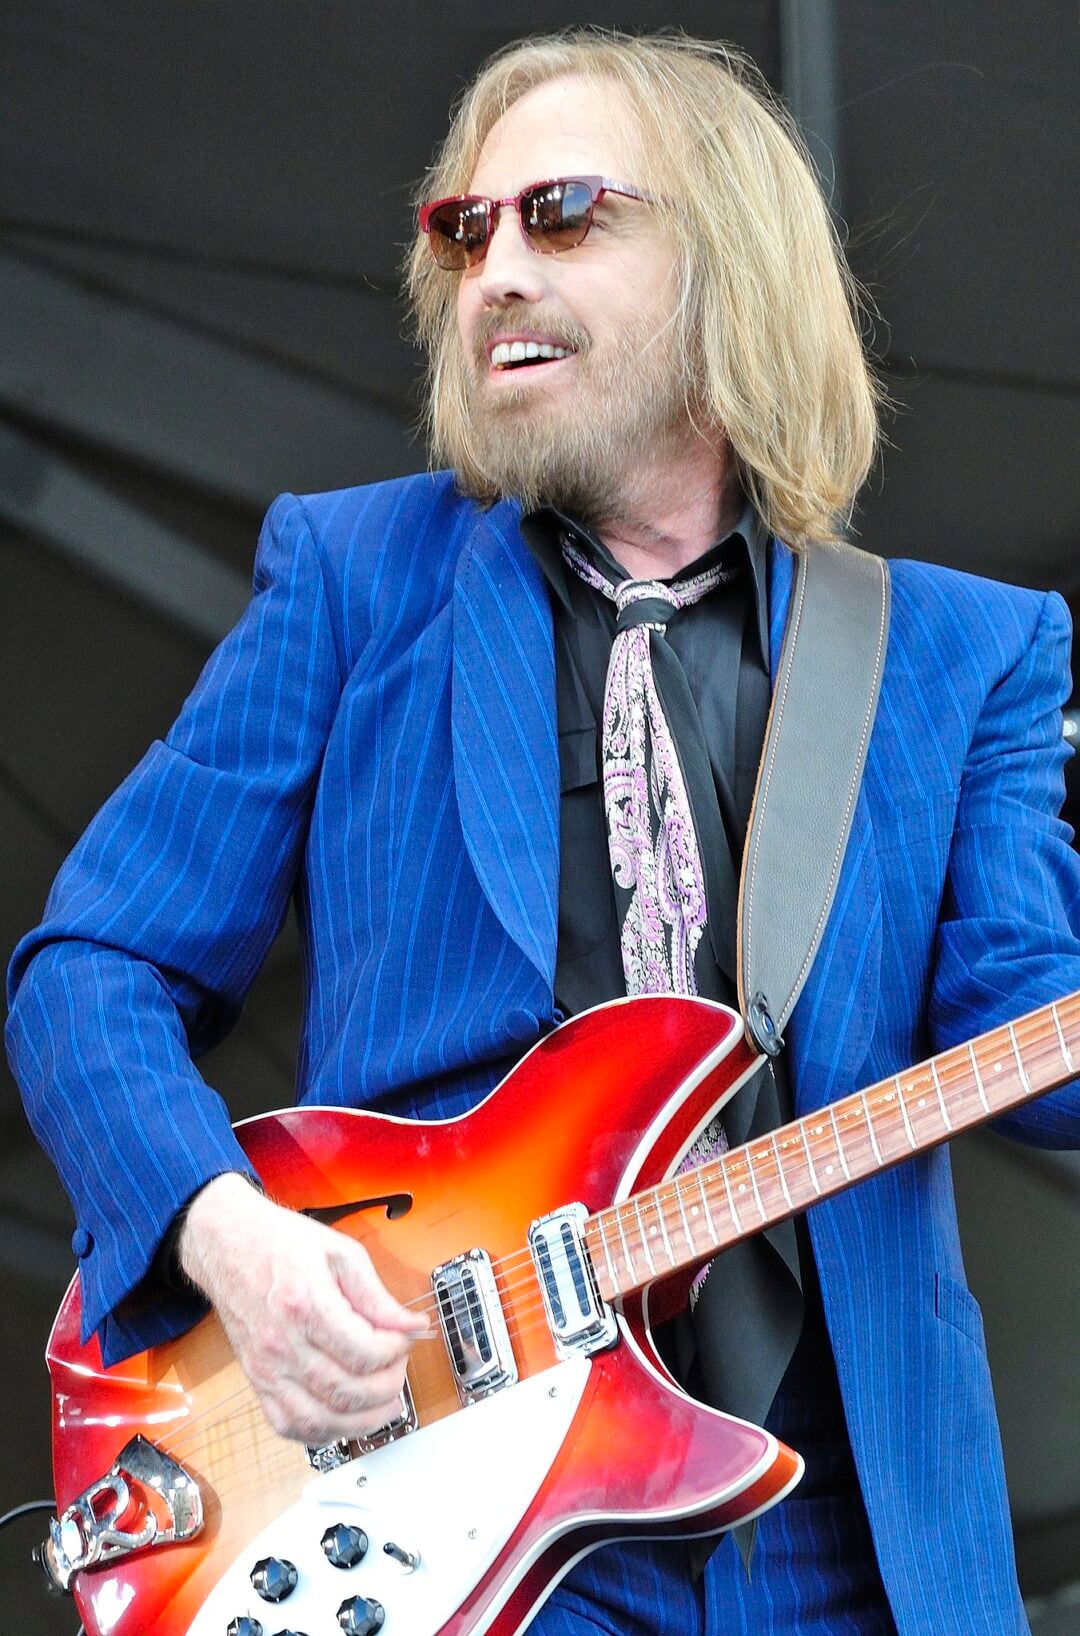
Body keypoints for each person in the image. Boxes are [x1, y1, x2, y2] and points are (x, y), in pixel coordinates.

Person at [7, 28, 1080, 1636]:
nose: (495, 268)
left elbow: (1029, 1028)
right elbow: (89, 968)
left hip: (841, 1530)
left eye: (564, 213)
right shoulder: (360, 578)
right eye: (466, 229)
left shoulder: (962, 654)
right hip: (433, 1493)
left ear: (729, 258)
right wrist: (229, 1240)